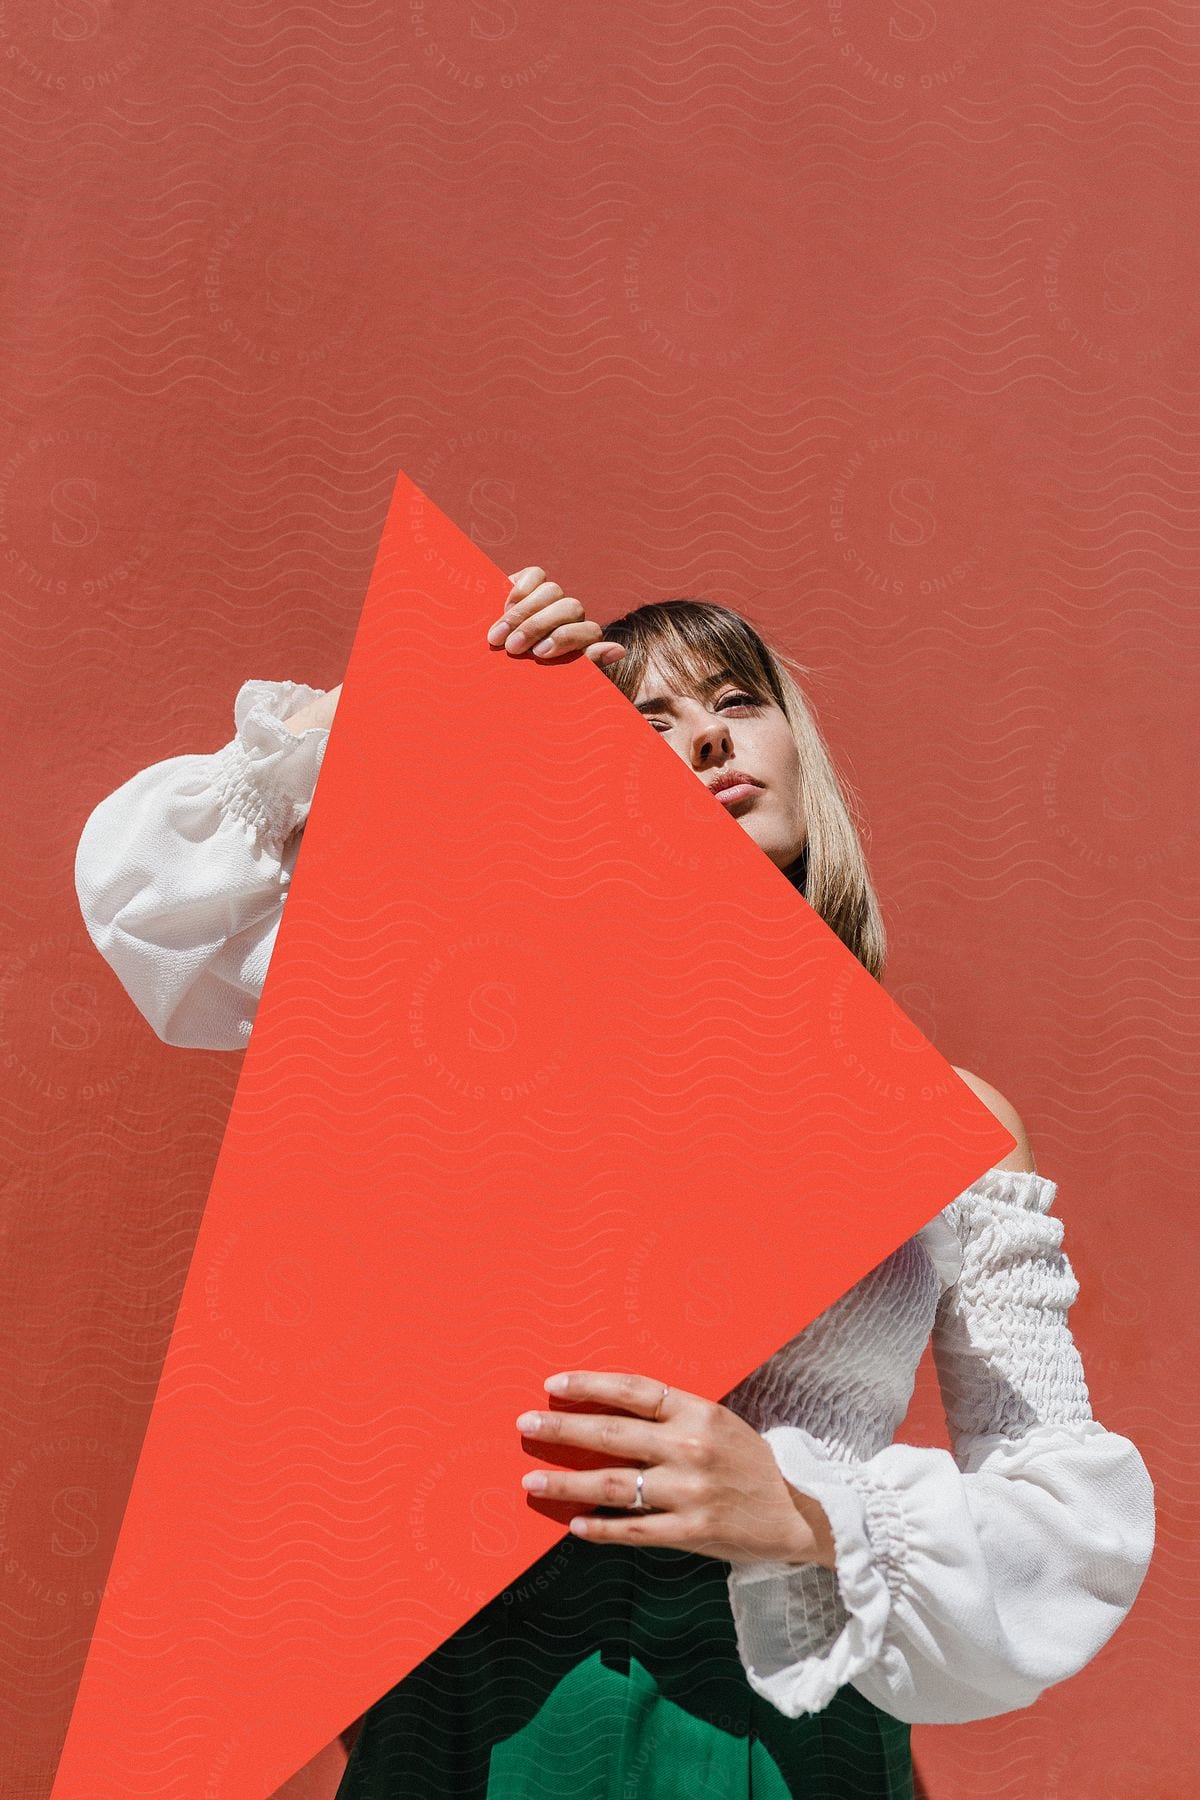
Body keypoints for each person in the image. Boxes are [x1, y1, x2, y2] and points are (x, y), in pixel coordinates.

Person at [73, 566, 1156, 1799]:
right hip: (489, 1700)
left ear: (794, 746)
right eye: (647, 725)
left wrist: (804, 1512)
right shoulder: (483, 1031)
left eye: (735, 701)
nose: (703, 736)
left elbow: (1058, 1489)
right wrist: (438, 705)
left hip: (774, 1717)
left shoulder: (952, 1119)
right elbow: (159, 909)